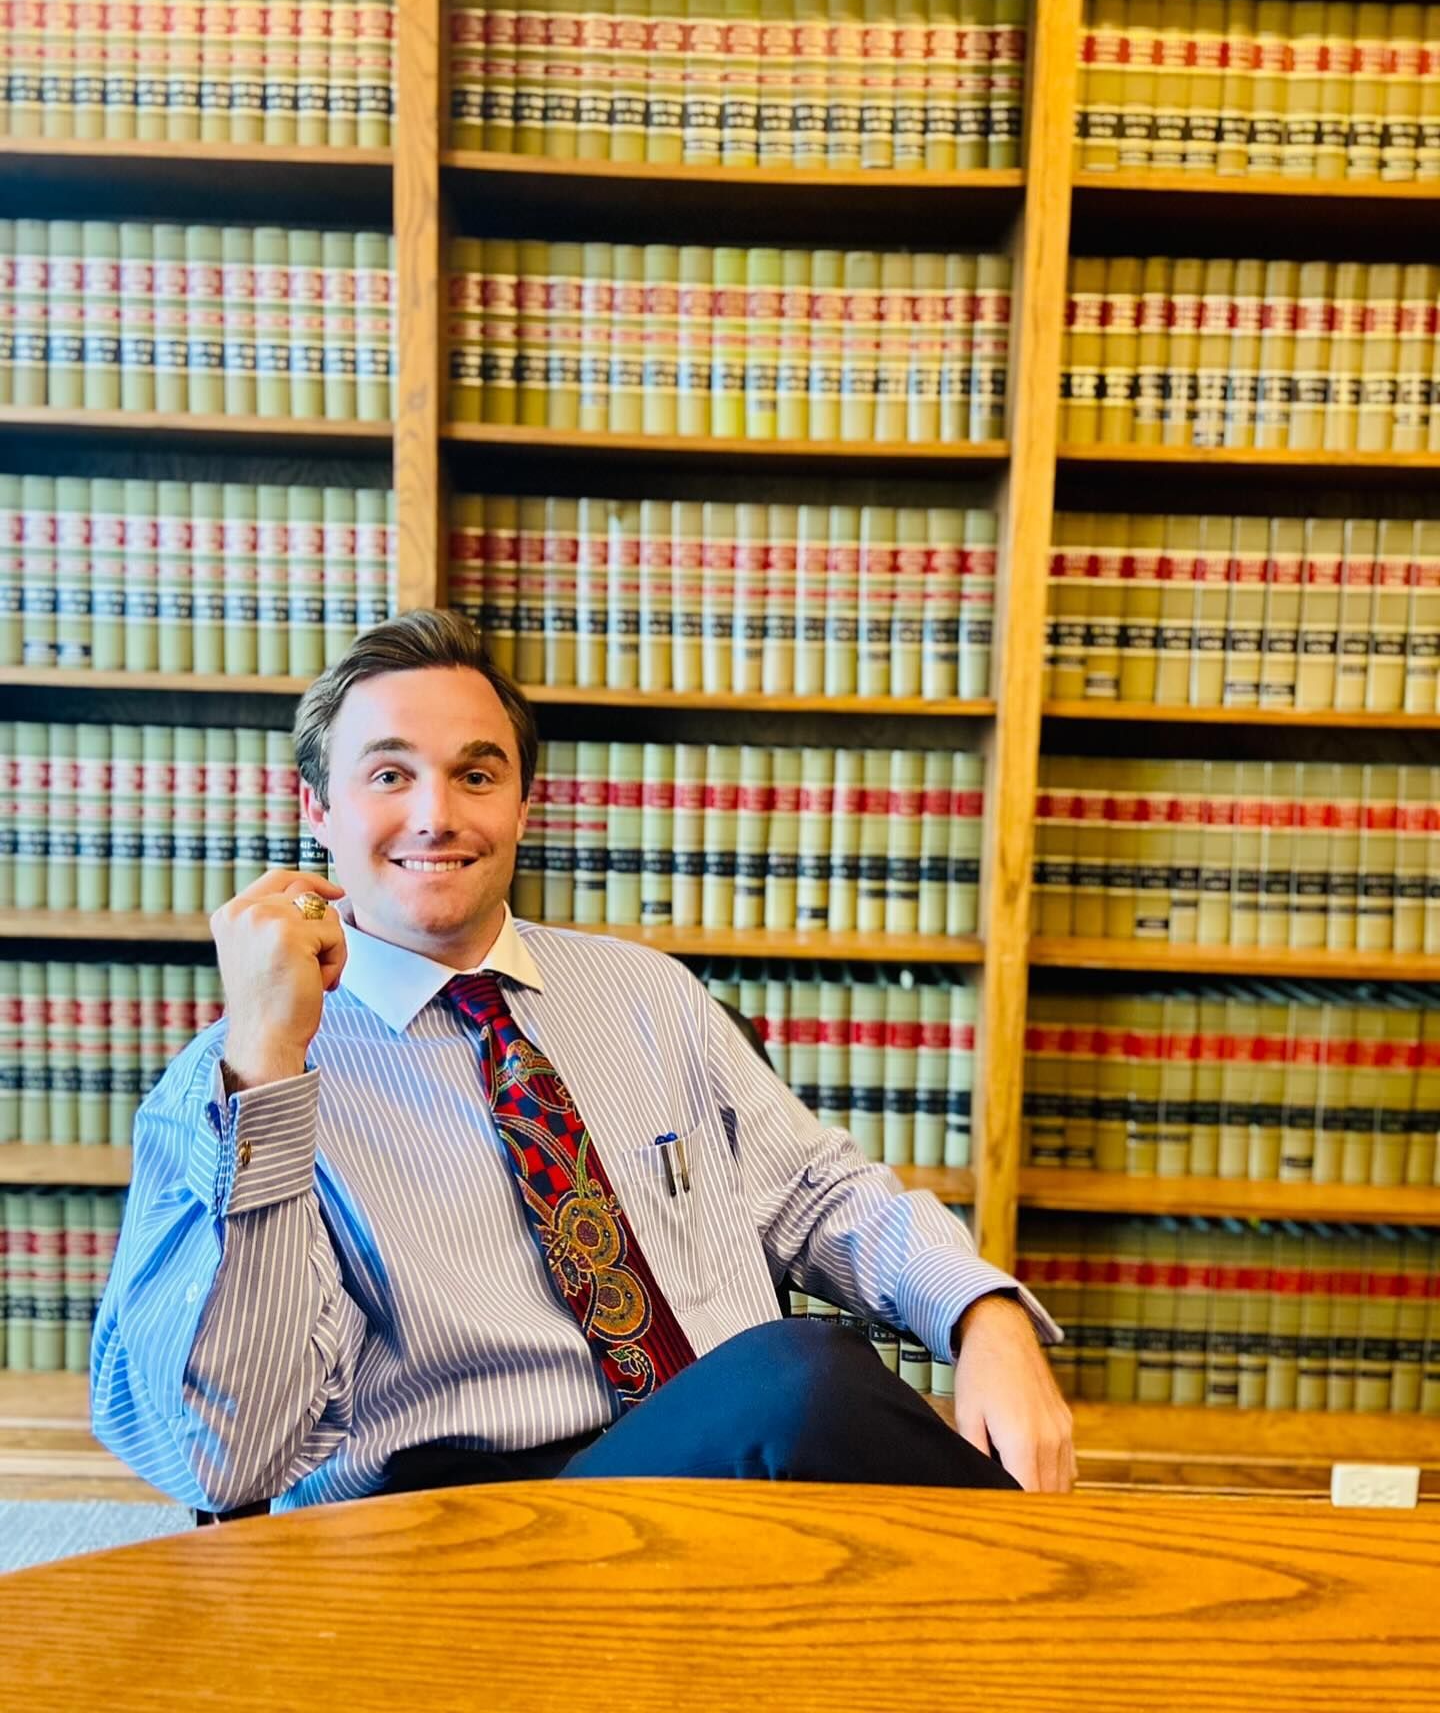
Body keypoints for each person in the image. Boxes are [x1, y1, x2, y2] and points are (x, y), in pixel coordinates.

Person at [92, 611, 1075, 1512]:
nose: (436, 816)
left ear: (524, 804)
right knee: (805, 1381)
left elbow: (822, 1194)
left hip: (719, 1472)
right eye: (389, 775)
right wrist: (267, 1061)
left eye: (476, 775)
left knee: (826, 1453)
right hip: (455, 1531)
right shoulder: (233, 1084)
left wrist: (982, 1314)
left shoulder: (647, 996)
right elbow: (226, 1457)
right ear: (317, 808)